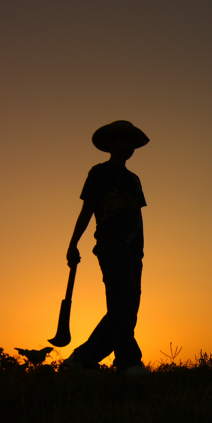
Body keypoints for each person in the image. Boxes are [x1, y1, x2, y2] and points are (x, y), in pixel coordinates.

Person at [64, 120, 150, 376]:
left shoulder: (134, 179)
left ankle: (82, 358)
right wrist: (73, 243)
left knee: (127, 306)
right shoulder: (99, 173)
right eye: (124, 141)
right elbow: (87, 210)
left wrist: (139, 250)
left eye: (132, 143)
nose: (129, 146)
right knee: (122, 301)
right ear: (111, 144)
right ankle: (128, 362)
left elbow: (138, 216)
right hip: (111, 246)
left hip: (134, 249)